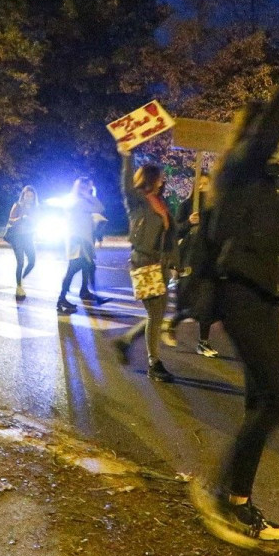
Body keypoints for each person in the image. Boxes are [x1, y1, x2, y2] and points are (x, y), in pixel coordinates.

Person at [189, 43, 279, 547]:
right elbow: (269, 130)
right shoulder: (243, 168)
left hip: (261, 298)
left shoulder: (266, 186)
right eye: (275, 135)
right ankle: (230, 498)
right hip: (240, 295)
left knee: (261, 402)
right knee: (277, 403)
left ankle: (228, 492)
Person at [112, 150, 176, 383]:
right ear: (150, 178)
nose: (162, 180)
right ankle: (154, 363)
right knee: (155, 315)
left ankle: (126, 341)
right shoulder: (137, 200)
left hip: (160, 264)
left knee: (157, 315)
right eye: (159, 177)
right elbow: (126, 184)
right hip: (143, 260)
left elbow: (168, 236)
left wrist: (174, 263)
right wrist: (127, 157)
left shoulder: (160, 202)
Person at [167, 175, 220, 358]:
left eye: (207, 184)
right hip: (191, 259)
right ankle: (177, 321)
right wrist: (189, 222)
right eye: (200, 184)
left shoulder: (215, 206)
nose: (204, 188)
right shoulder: (187, 205)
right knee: (196, 300)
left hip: (210, 259)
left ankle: (201, 340)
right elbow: (175, 231)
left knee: (210, 302)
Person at [56, 177, 107, 314]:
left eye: (89, 187)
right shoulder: (77, 201)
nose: (88, 190)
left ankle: (84, 292)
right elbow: (99, 208)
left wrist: (90, 195)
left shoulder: (80, 200)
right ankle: (62, 299)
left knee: (87, 267)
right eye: (86, 187)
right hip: (78, 241)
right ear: (80, 187)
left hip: (84, 239)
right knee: (74, 269)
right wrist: (89, 195)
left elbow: (98, 210)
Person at [5, 186, 38, 300]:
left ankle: (21, 279)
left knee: (32, 261)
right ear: (23, 196)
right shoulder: (18, 205)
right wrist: (22, 218)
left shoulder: (35, 208)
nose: (29, 198)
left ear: (34, 198)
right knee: (20, 262)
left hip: (28, 237)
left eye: (31, 196)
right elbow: (10, 220)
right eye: (27, 195)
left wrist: (34, 222)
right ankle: (19, 286)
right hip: (17, 237)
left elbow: (38, 221)